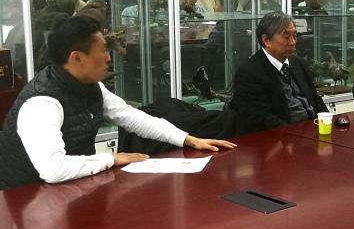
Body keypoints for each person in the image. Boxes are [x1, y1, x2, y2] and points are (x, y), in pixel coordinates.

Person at [0, 16, 235, 189]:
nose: (108, 58)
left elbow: (131, 117)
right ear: (76, 58)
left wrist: (187, 139)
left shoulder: (91, 87)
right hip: (25, 200)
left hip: (68, 190)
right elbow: (53, 170)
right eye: (102, 50)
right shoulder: (42, 103)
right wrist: (111, 158)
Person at [227, 11, 327, 133]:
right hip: (283, 136)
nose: (293, 42)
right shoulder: (249, 73)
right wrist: (296, 135)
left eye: (295, 36)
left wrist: (328, 122)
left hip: (312, 129)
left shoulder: (299, 64)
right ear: (266, 40)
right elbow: (261, 119)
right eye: (286, 37)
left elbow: (315, 99)